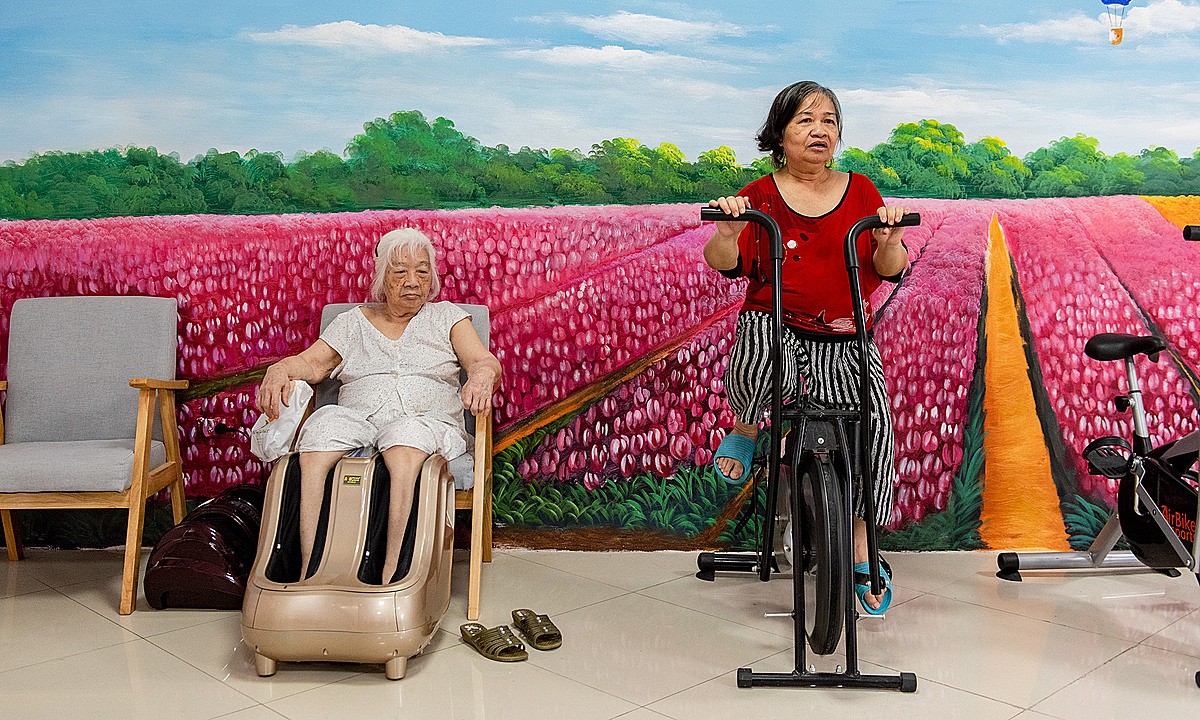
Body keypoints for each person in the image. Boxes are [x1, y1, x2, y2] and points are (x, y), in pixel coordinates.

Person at [704, 81, 908, 613]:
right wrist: (728, 231)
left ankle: (863, 544)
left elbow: (889, 270)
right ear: (780, 133)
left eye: (830, 120)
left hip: (846, 332)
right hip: (778, 323)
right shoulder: (759, 194)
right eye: (805, 121)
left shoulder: (862, 190)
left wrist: (889, 243)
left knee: (876, 424)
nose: (820, 130)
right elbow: (727, 264)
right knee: (757, 354)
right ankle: (748, 429)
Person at [255, 227, 501, 584]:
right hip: (359, 420)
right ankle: (311, 568)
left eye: (422, 270)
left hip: (427, 421)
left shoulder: (449, 317)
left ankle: (393, 572)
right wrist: (279, 369)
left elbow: (483, 360)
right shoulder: (352, 322)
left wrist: (481, 376)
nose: (413, 281)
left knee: (404, 438)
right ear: (381, 277)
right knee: (320, 430)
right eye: (400, 271)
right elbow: (312, 364)